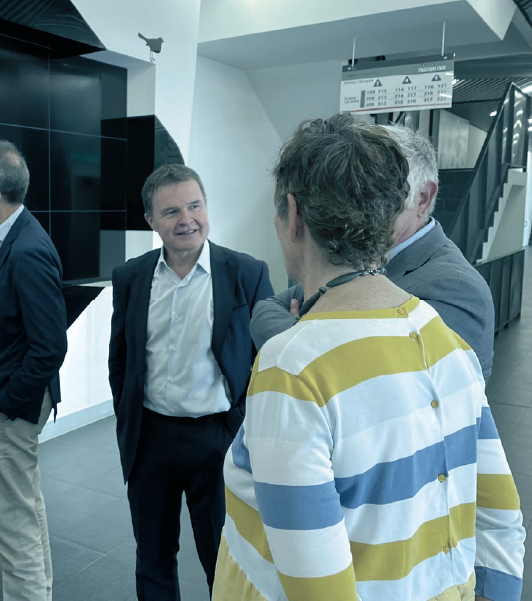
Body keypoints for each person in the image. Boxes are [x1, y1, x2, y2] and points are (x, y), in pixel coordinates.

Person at [215, 114, 525, 601]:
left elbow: (319, 588)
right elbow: (500, 512)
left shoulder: (293, 367)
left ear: (293, 216)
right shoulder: (445, 339)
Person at [108, 164, 273, 599]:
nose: (187, 220)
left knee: (224, 557)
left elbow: (267, 362)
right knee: (153, 557)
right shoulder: (131, 277)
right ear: (151, 221)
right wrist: (128, 419)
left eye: (195, 206)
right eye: (171, 212)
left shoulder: (246, 273)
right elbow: (120, 361)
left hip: (217, 439)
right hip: (150, 438)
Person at [250, 124, 496, 380]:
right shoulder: (352, 258)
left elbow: (369, 383)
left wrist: (301, 337)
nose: (358, 204)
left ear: (422, 198)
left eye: (382, 190)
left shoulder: (457, 290)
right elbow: (267, 308)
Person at [0, 139, 67, 600]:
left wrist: (8, 405)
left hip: (10, 407)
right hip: (8, 400)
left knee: (12, 522)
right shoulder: (6, 239)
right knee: (24, 508)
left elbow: (49, 345)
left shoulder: (27, 250)